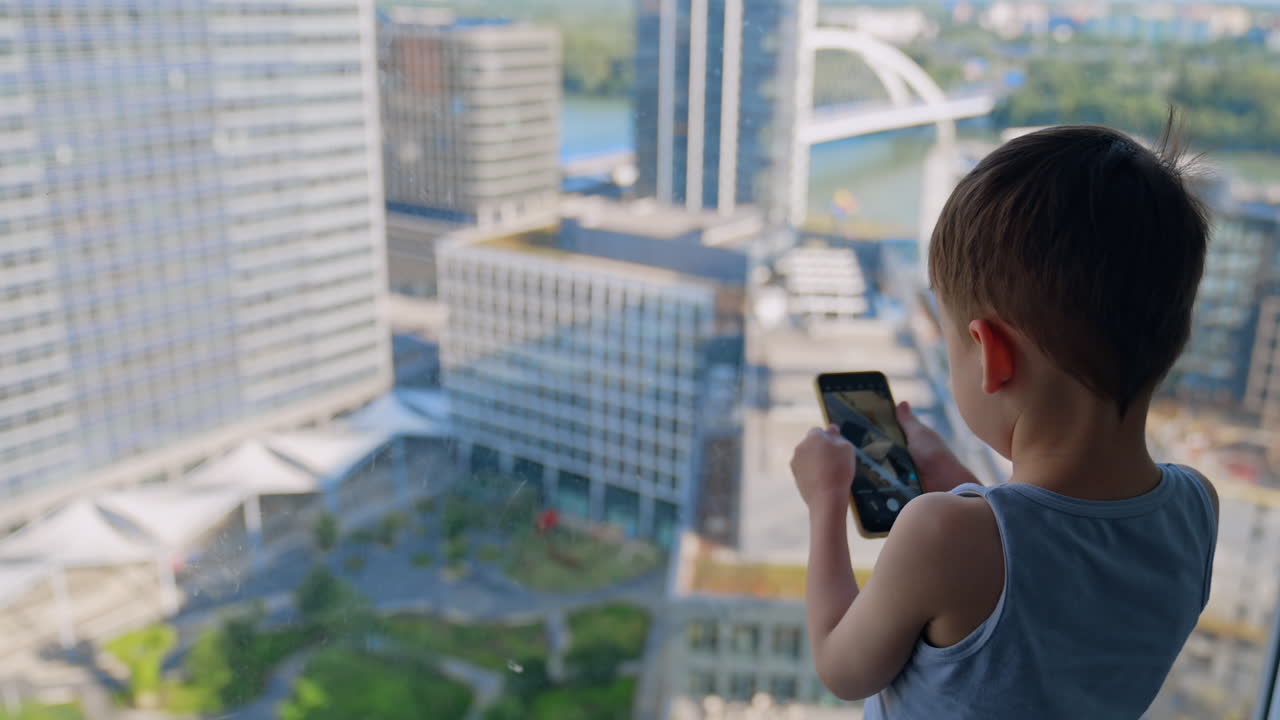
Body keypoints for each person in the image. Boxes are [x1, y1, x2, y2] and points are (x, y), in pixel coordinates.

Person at [790, 118, 1219, 719]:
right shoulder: (1196, 509)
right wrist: (952, 473)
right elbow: (1052, 558)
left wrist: (826, 499)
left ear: (991, 355)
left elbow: (842, 666)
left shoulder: (940, 535)